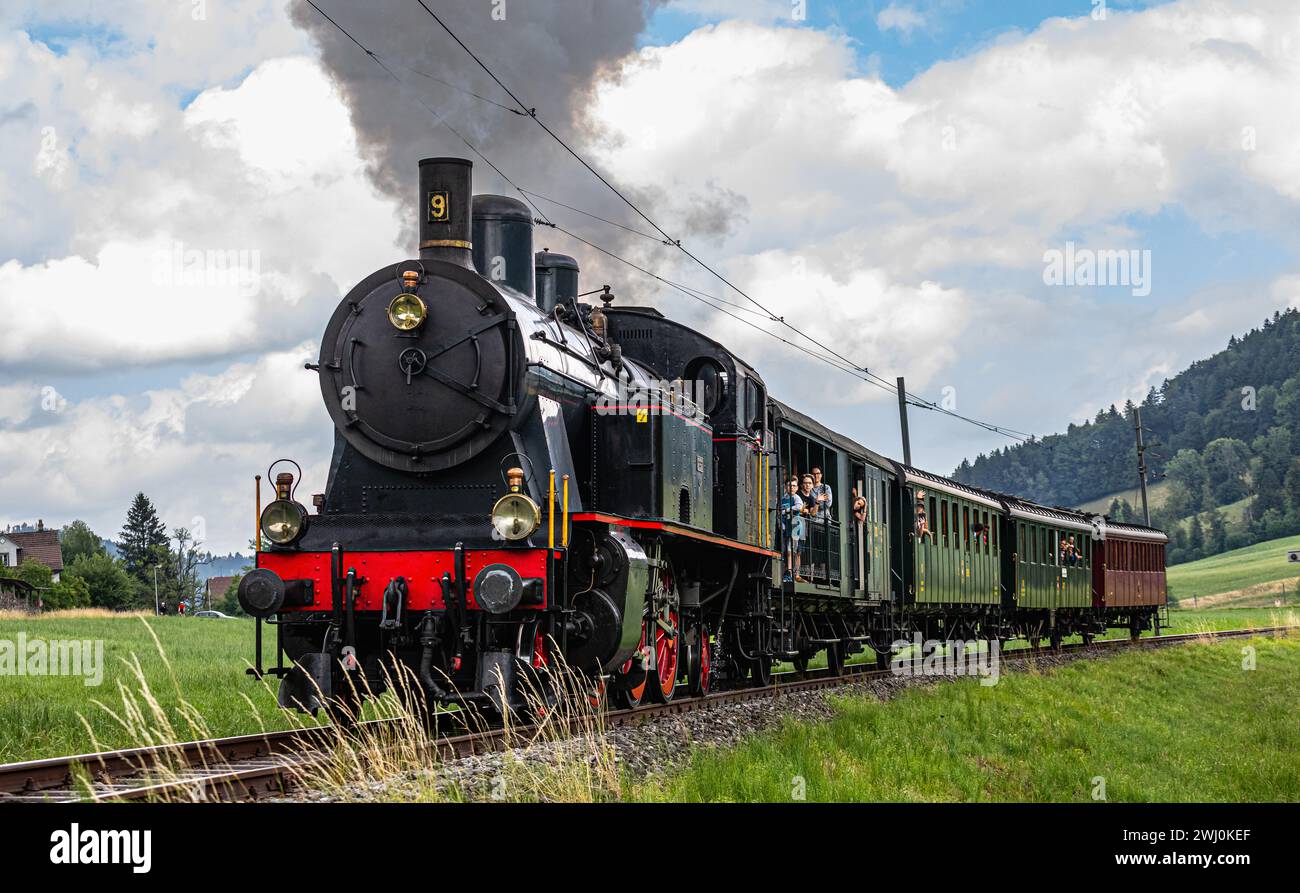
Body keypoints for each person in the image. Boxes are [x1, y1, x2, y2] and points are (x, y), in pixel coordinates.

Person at [778, 477, 807, 582]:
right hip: (787, 524)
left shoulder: (796, 497)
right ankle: (789, 572)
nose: (792, 488)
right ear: (786, 487)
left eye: (794, 486)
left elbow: (799, 507)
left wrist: (787, 510)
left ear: (797, 487)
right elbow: (779, 511)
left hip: (795, 523)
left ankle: (793, 572)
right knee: (788, 549)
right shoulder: (783, 498)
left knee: (793, 549)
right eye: (790, 485)